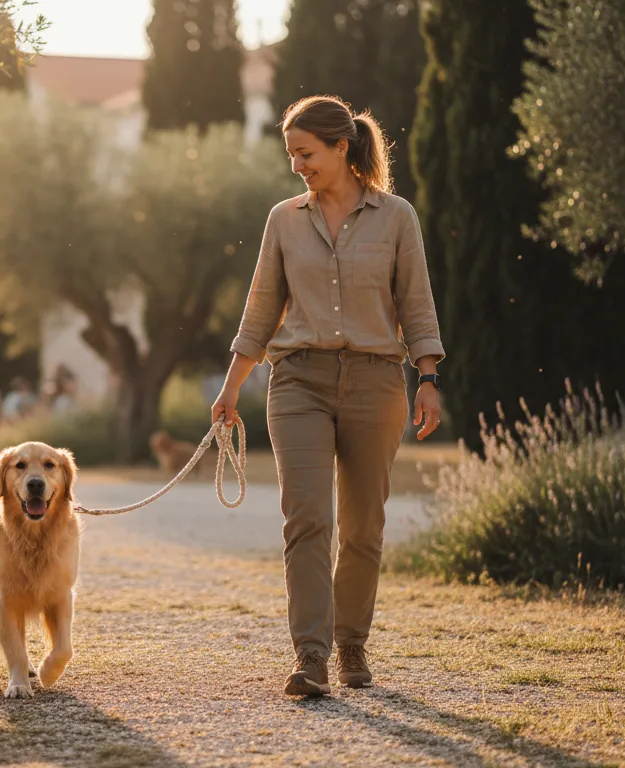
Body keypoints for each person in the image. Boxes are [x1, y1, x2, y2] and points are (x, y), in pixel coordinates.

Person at [210, 95, 444, 698]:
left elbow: (416, 303)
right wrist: (230, 388)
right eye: (291, 154)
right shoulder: (284, 219)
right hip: (299, 382)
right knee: (307, 518)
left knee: (363, 525)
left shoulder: (398, 218)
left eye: (306, 153)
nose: (297, 166)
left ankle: (352, 645)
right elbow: (261, 308)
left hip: (377, 383)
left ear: (342, 147)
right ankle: (310, 657)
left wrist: (429, 379)